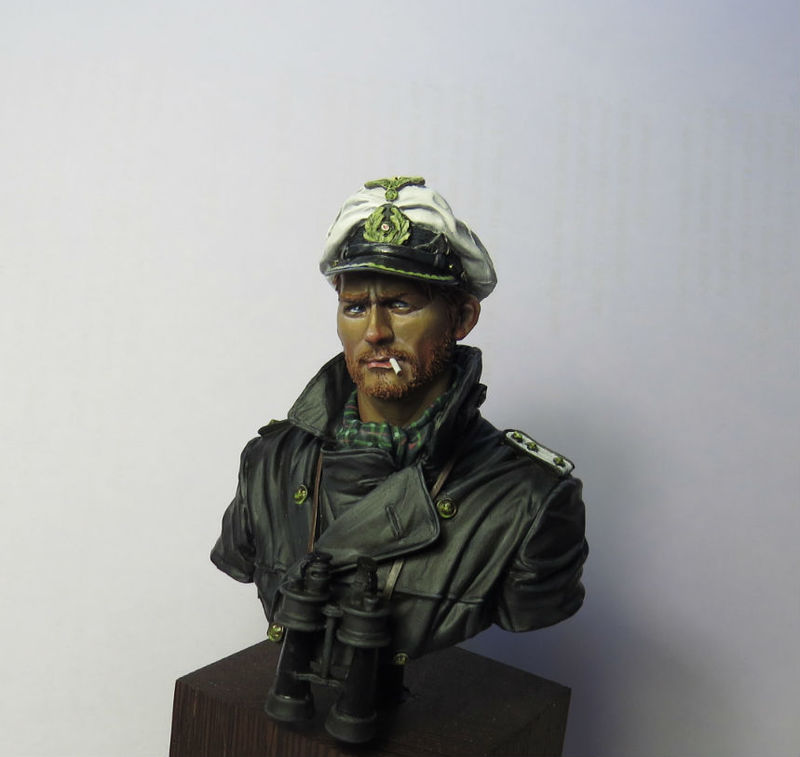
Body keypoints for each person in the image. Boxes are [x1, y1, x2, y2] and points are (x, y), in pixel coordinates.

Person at [211, 176, 588, 667]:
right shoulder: (270, 462)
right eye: (355, 307)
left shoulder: (531, 498)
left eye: (400, 304)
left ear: (462, 318)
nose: (375, 332)